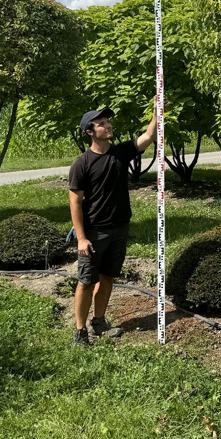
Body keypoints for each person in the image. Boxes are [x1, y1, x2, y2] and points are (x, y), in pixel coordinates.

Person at [68, 102, 157, 346]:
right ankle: (79, 332)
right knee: (86, 282)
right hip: (94, 232)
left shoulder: (120, 152)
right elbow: (75, 202)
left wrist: (156, 112)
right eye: (101, 124)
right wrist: (81, 237)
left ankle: (99, 321)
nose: (108, 126)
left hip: (119, 228)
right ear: (89, 131)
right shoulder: (82, 164)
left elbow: (149, 136)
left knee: (107, 277)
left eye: (108, 122)